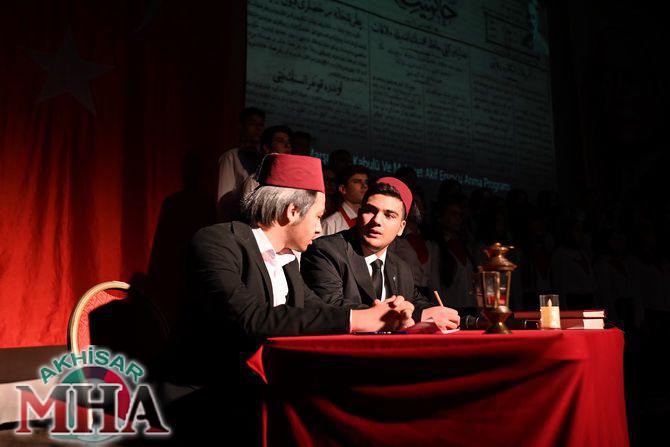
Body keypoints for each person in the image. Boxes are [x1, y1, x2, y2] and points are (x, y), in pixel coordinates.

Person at [167, 155, 414, 444]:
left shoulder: (287, 262)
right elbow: (250, 317)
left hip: (260, 394)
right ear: (292, 211)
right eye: (318, 217)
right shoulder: (217, 241)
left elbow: (320, 310)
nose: (320, 229)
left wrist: (384, 316)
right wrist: (358, 319)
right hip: (204, 400)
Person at [301, 177, 460, 332]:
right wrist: (412, 315)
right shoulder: (327, 251)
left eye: (389, 215)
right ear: (359, 214)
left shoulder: (401, 267)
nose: (377, 220)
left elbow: (417, 304)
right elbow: (332, 307)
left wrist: (446, 315)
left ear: (401, 228)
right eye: (370, 211)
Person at [219, 124, 293, 221]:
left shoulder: (292, 180)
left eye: (288, 142)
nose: (287, 146)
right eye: (280, 141)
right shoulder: (254, 181)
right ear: (266, 147)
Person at [217, 107, 265, 221]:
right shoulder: (231, 157)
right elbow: (224, 201)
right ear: (241, 126)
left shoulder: (263, 158)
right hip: (239, 221)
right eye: (252, 124)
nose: (258, 128)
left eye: (261, 125)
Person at [320, 165, 369, 235]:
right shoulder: (330, 224)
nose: (365, 186)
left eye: (366, 182)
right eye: (357, 182)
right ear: (343, 189)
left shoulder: (371, 220)